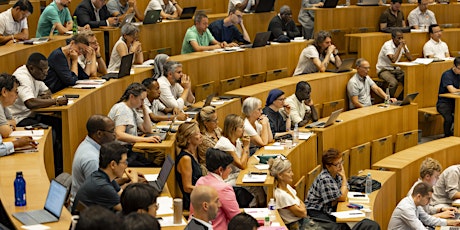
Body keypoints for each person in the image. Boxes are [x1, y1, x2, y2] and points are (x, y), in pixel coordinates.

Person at [72, 141, 139, 213]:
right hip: (87, 223)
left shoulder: (103, 176)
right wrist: (135, 183)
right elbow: (129, 208)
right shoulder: (101, 185)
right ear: (113, 164)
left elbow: (121, 195)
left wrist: (131, 182)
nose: (126, 165)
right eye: (124, 162)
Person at [214, 114, 265, 207]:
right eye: (241, 127)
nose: (243, 130)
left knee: (260, 186)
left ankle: (259, 209)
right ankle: (254, 211)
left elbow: (245, 160)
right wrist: (246, 146)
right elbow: (242, 165)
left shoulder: (236, 141)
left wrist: (245, 147)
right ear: (233, 129)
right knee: (255, 188)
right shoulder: (225, 145)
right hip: (225, 179)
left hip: (236, 174)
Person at [107, 83, 161, 167]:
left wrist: (144, 109)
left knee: (156, 161)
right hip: (120, 154)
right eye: (141, 100)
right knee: (155, 165)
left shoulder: (131, 109)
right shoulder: (123, 109)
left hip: (128, 150)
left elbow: (147, 129)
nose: (143, 102)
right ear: (132, 97)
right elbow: (119, 135)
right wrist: (145, 140)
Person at [191, 148, 240, 229]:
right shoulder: (224, 188)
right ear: (220, 169)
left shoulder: (200, 181)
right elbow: (236, 218)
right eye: (229, 167)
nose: (230, 170)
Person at [70, 115, 116, 201]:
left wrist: (124, 180)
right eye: (112, 131)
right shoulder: (92, 159)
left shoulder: (88, 144)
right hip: (87, 208)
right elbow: (99, 191)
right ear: (99, 134)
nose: (115, 135)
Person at [388, 182, 460, 229]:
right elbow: (420, 228)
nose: (429, 202)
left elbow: (427, 219)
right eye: (428, 198)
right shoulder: (406, 208)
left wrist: (451, 222)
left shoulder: (416, 204)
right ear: (419, 196)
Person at [306, 148, 348, 222]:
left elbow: (346, 189)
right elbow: (342, 197)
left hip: (326, 209)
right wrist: (344, 177)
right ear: (328, 166)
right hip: (316, 212)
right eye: (337, 164)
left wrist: (337, 198)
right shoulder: (325, 178)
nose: (341, 166)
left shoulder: (336, 174)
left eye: (341, 162)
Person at [0, 73, 35, 157]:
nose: (17, 96)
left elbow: (13, 122)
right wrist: (17, 143)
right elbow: (5, 132)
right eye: (16, 92)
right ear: (4, 92)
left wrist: (7, 125)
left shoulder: (3, 104)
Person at [268, 157, 307, 229]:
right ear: (280, 175)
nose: (292, 174)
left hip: (302, 221)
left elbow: (301, 203)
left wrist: (302, 207)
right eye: (289, 172)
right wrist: (302, 207)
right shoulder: (281, 195)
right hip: (296, 226)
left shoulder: (288, 187)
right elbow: (303, 213)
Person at [376, 29, 413, 98]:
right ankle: (388, 100)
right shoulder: (387, 45)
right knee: (393, 83)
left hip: (396, 69)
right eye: (399, 38)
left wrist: (404, 48)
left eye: (402, 38)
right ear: (393, 38)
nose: (401, 40)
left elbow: (411, 58)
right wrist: (400, 47)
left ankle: (400, 98)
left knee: (409, 79)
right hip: (384, 70)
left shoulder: (402, 45)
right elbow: (393, 60)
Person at [175, 121, 203, 211]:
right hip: (194, 202)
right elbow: (187, 187)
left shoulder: (193, 153)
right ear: (188, 139)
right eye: (198, 134)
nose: (201, 136)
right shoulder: (185, 159)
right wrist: (208, 190)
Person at [436, 57, 460, 137]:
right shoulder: (447, 75)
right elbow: (452, 90)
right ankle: (447, 135)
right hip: (444, 103)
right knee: (449, 118)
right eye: (459, 69)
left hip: (455, 102)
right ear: (454, 66)